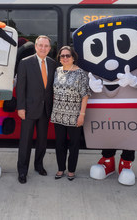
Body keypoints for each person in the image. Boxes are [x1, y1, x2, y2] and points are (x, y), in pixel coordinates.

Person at [16, 35, 56, 184]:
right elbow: (20, 87)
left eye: (46, 46)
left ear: (49, 48)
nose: (43, 48)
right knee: (25, 142)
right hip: (28, 109)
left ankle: (39, 165)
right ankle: (22, 171)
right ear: (36, 46)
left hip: (45, 110)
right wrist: (20, 107)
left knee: (42, 141)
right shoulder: (25, 63)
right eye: (41, 45)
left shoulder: (52, 64)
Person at [51, 46, 91, 181]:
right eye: (62, 56)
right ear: (59, 58)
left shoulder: (81, 73)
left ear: (73, 57)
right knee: (59, 143)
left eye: (68, 55)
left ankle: (71, 170)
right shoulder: (57, 71)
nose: (65, 58)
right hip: (58, 113)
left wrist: (82, 114)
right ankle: (60, 168)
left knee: (74, 144)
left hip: (74, 115)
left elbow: (85, 95)